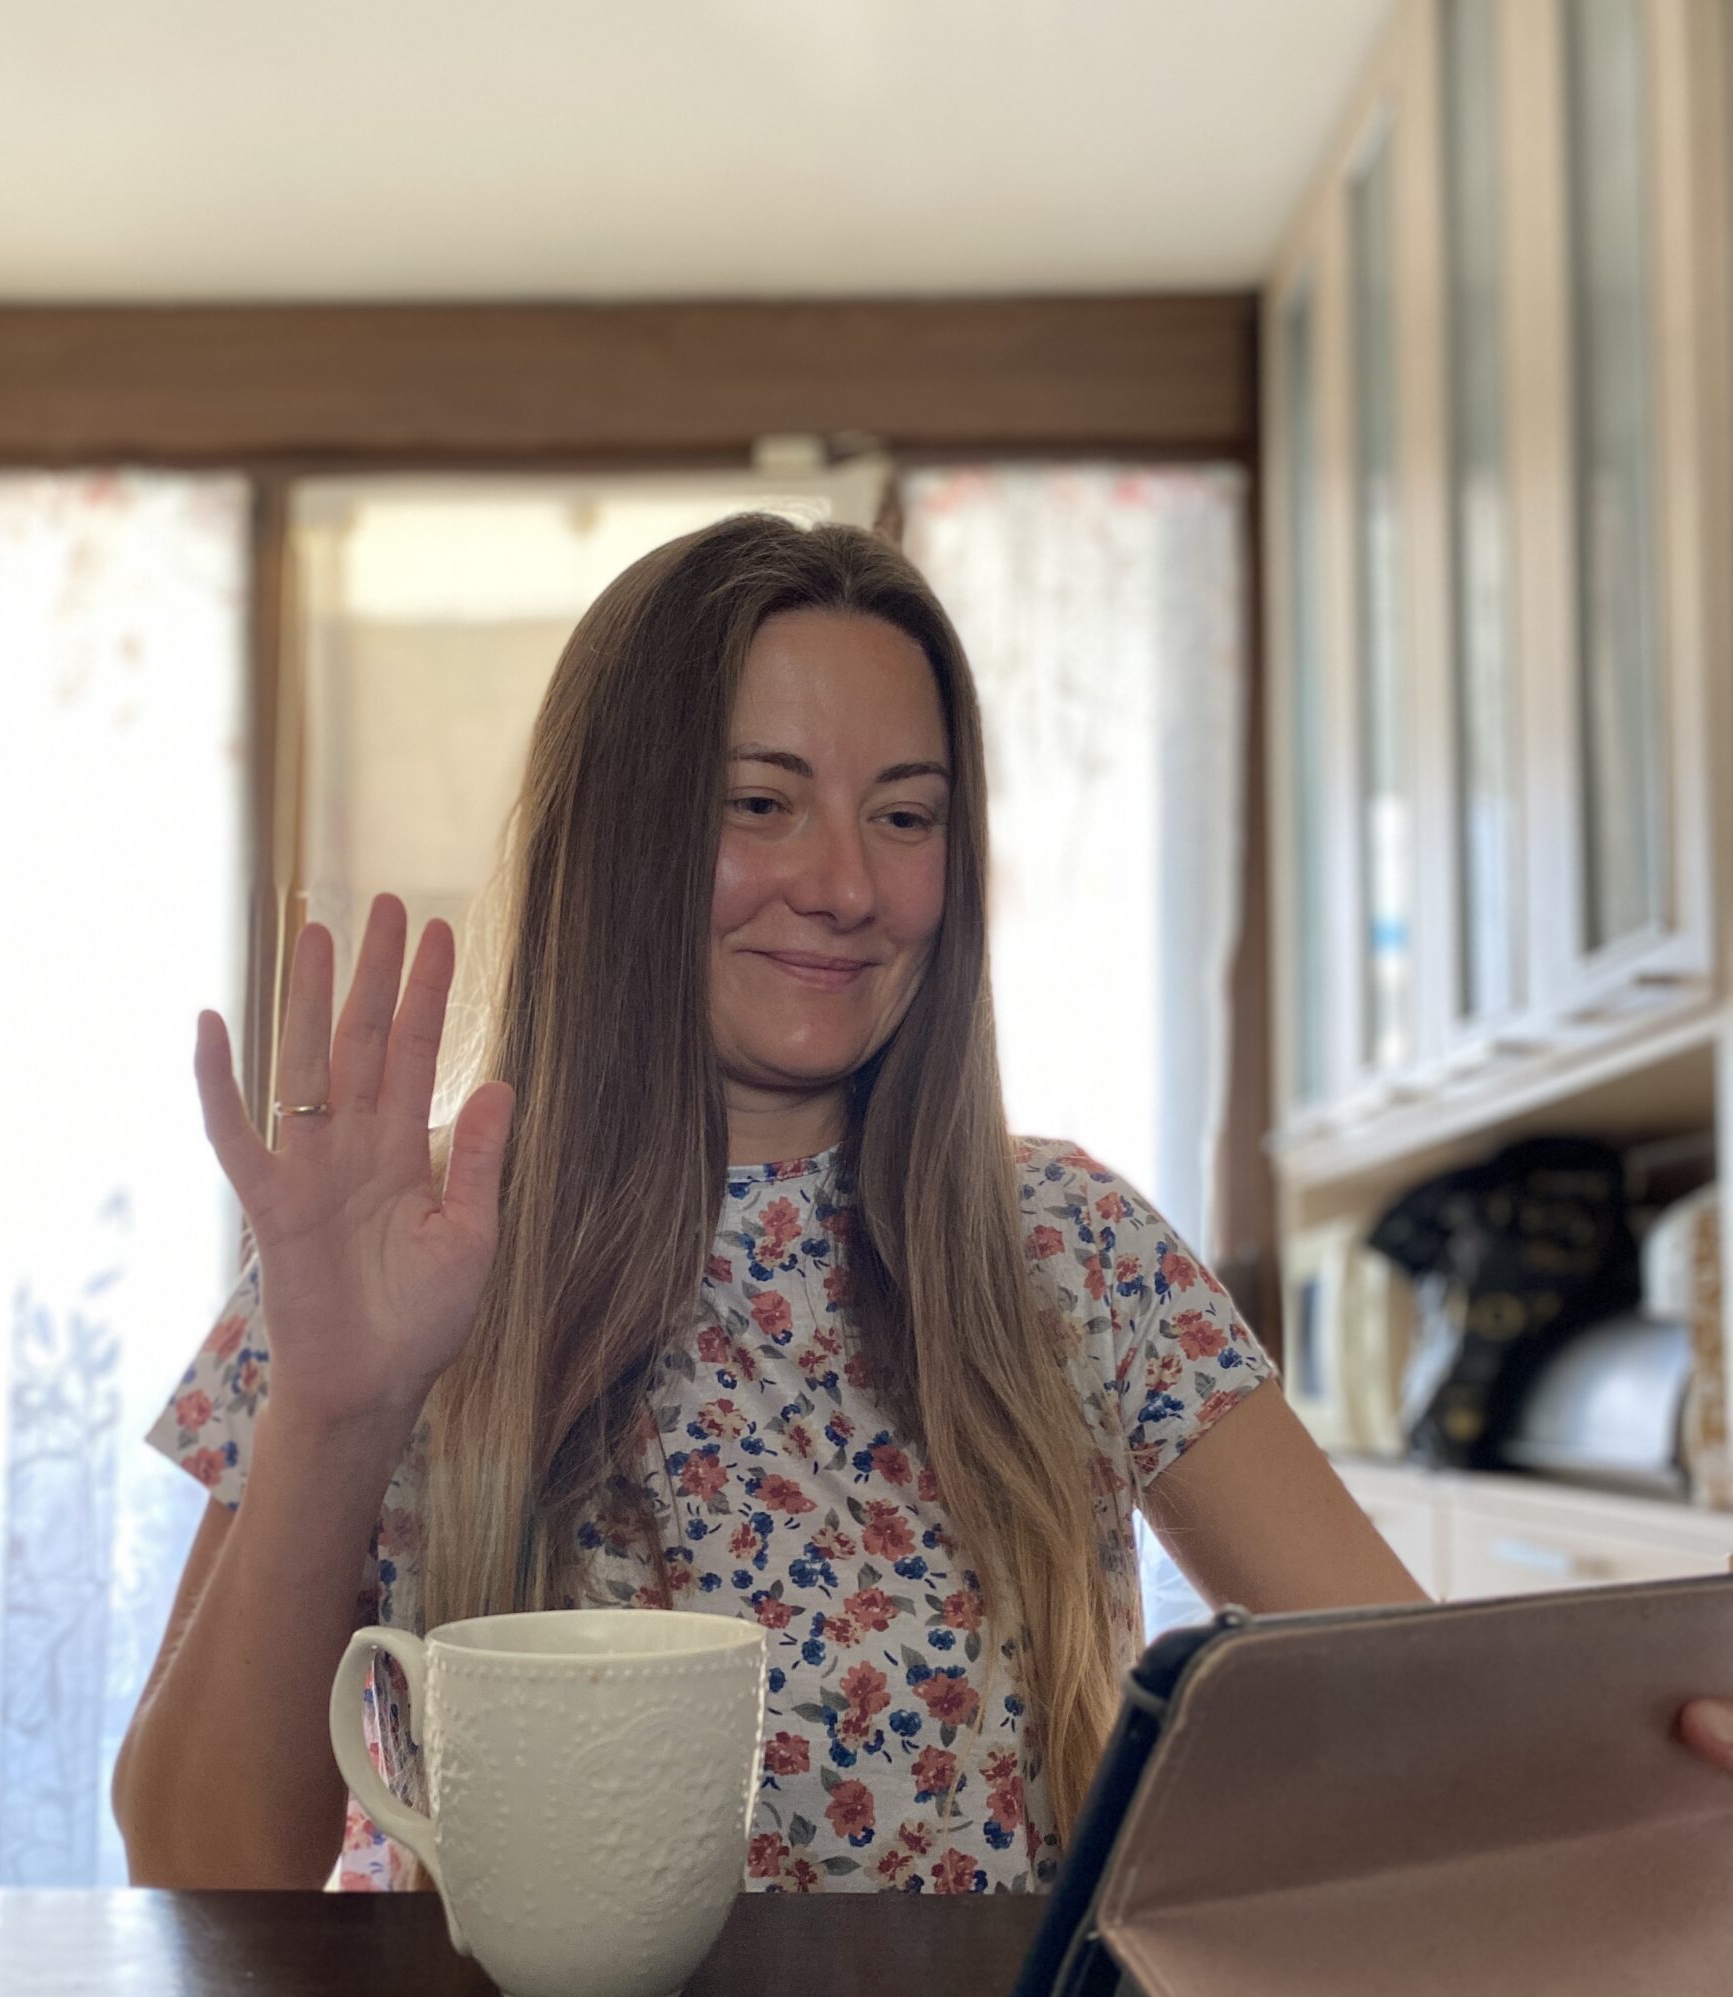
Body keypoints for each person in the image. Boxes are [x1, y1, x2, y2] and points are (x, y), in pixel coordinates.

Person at [112, 514, 1733, 1892]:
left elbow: (1417, 1699)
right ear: (620, 837)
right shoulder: (407, 1245)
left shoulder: (1071, 1250)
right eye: (761, 802)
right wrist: (335, 1406)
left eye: (908, 813)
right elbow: (198, 1872)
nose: (850, 884)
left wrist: (1658, 1756)